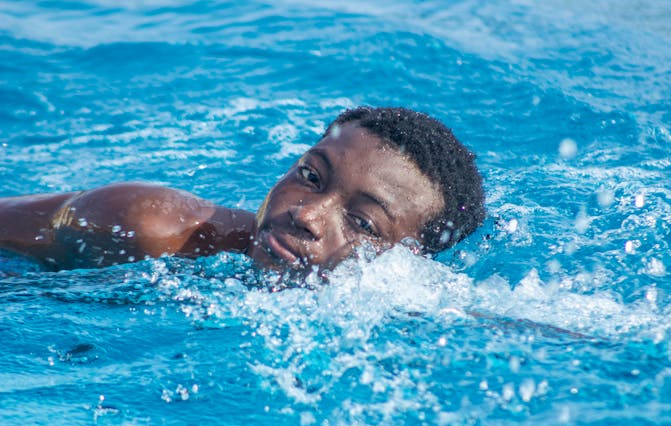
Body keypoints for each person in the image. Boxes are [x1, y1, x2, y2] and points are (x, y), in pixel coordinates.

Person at [0, 107, 485, 272]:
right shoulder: (149, 228)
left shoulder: (410, 307)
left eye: (361, 223)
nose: (307, 214)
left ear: (409, 263)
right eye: (310, 177)